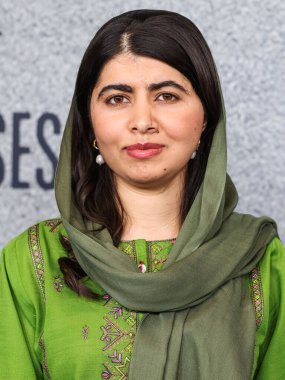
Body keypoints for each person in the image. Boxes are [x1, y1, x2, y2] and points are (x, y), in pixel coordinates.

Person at [0, 9, 284, 380]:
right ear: (89, 124)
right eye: (118, 99)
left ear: (206, 119)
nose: (142, 121)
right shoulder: (32, 261)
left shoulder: (260, 262)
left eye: (166, 96)